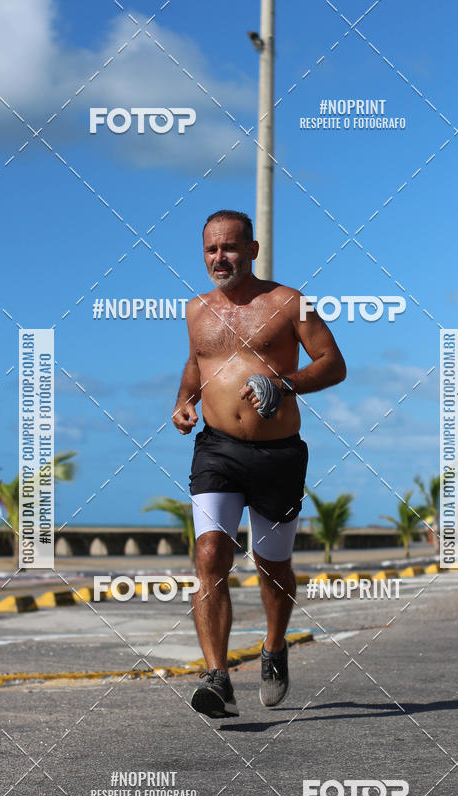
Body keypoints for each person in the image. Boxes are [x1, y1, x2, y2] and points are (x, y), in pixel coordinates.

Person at [172, 210, 346, 718]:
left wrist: (284, 382)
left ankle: (274, 647)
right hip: (217, 449)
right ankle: (218, 677)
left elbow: (333, 363)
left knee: (272, 567)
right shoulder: (195, 310)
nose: (218, 258)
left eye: (229, 248)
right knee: (209, 555)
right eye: (210, 250)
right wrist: (185, 401)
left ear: (252, 249)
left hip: (278, 453)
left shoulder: (290, 302)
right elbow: (195, 364)